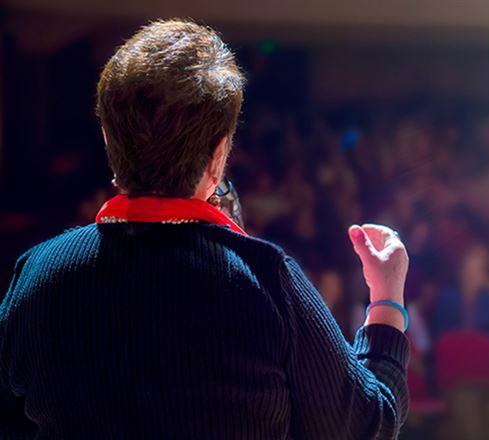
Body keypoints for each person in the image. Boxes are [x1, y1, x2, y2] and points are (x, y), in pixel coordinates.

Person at [0, 20, 410, 439]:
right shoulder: (267, 281)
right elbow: (366, 425)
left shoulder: (35, 276)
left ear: (108, 139)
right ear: (218, 155)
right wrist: (387, 301)